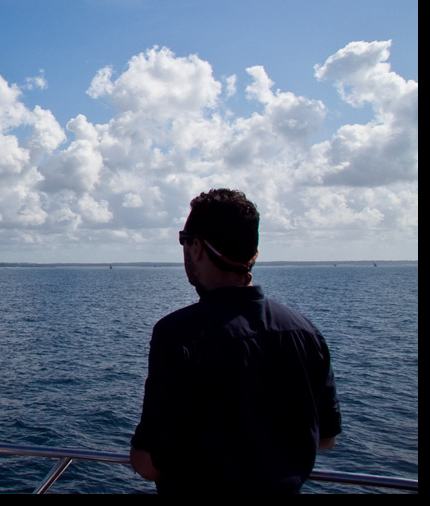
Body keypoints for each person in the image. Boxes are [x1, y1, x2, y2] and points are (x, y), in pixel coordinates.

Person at [130, 188, 341, 494]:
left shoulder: (178, 335)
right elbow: (326, 438)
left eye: (184, 240)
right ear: (253, 254)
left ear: (197, 247)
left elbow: (149, 464)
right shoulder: (305, 331)